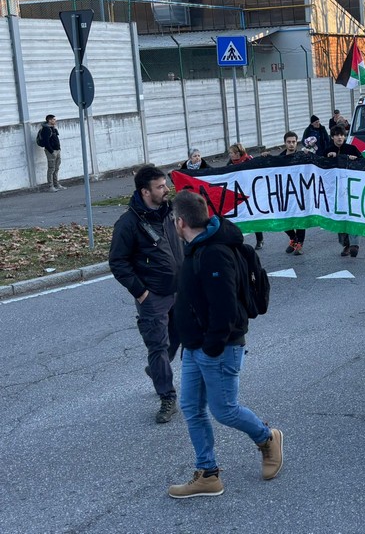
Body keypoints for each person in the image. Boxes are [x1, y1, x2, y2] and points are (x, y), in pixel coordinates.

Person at [168, 190, 283, 499]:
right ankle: (207, 474)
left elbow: (226, 309)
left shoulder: (214, 253)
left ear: (180, 222)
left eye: (174, 219)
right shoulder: (196, 248)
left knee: (225, 411)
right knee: (192, 408)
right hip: (195, 347)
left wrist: (211, 347)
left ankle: (267, 438)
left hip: (218, 348)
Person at [109, 166, 182, 423]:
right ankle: (167, 397)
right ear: (145, 191)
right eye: (160, 187)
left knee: (177, 337)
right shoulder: (128, 223)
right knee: (158, 346)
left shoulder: (170, 212)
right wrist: (141, 292)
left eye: (165, 184)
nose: (166, 190)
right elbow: (118, 262)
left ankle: (156, 369)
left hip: (180, 290)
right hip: (153, 297)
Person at [325, 125, 363, 257]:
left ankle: (354, 244)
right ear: (332, 137)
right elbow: (319, 166)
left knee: (353, 215)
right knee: (340, 217)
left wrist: (355, 159)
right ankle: (345, 244)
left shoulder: (352, 149)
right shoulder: (327, 150)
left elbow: (364, 164)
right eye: (337, 135)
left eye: (342, 135)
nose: (340, 137)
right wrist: (328, 158)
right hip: (336, 190)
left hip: (352, 189)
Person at [227, 143, 264, 250]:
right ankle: (238, 241)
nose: (230, 155)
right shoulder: (230, 163)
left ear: (238, 153)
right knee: (238, 217)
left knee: (253, 215)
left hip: (250, 193)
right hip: (237, 193)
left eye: (232, 153)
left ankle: (260, 239)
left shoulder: (249, 161)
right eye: (229, 153)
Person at [279, 131, 306, 255]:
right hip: (284, 193)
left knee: (300, 218)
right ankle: (293, 238)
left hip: (300, 192)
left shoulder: (302, 156)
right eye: (289, 142)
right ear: (285, 143)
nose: (291, 144)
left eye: (293, 142)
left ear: (296, 143)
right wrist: (265, 156)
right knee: (283, 219)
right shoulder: (279, 158)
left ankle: (299, 243)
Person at [39, 114, 65, 192]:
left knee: (56, 168)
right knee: (51, 169)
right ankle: (50, 186)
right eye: (53, 119)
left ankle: (56, 184)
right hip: (51, 152)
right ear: (49, 120)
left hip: (57, 151)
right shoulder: (46, 129)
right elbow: (46, 142)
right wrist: (52, 151)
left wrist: (59, 149)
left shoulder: (53, 128)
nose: (55, 120)